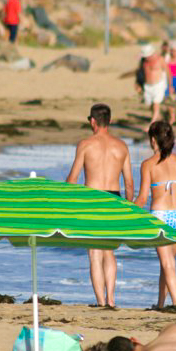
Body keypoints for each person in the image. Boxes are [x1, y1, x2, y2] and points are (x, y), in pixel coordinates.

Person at [66, 103, 134, 308]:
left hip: (92, 199)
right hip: (114, 199)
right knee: (109, 251)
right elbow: (129, 183)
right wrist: (128, 208)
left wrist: (68, 204)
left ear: (93, 121)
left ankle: (101, 301)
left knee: (95, 253)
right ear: (110, 121)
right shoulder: (122, 146)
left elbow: (72, 179)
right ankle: (112, 300)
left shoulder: (86, 144)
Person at [134, 121, 176, 308]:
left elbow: (142, 197)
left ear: (152, 140)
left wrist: (128, 213)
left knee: (168, 264)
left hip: (161, 217)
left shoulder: (148, 164)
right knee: (167, 263)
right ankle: (160, 304)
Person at [138, 44, 167, 126]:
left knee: (156, 103)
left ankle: (152, 123)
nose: (146, 57)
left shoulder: (160, 59)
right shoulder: (143, 61)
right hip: (147, 85)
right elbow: (140, 72)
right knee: (151, 105)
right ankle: (159, 118)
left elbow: (167, 72)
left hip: (158, 84)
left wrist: (170, 85)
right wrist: (138, 84)